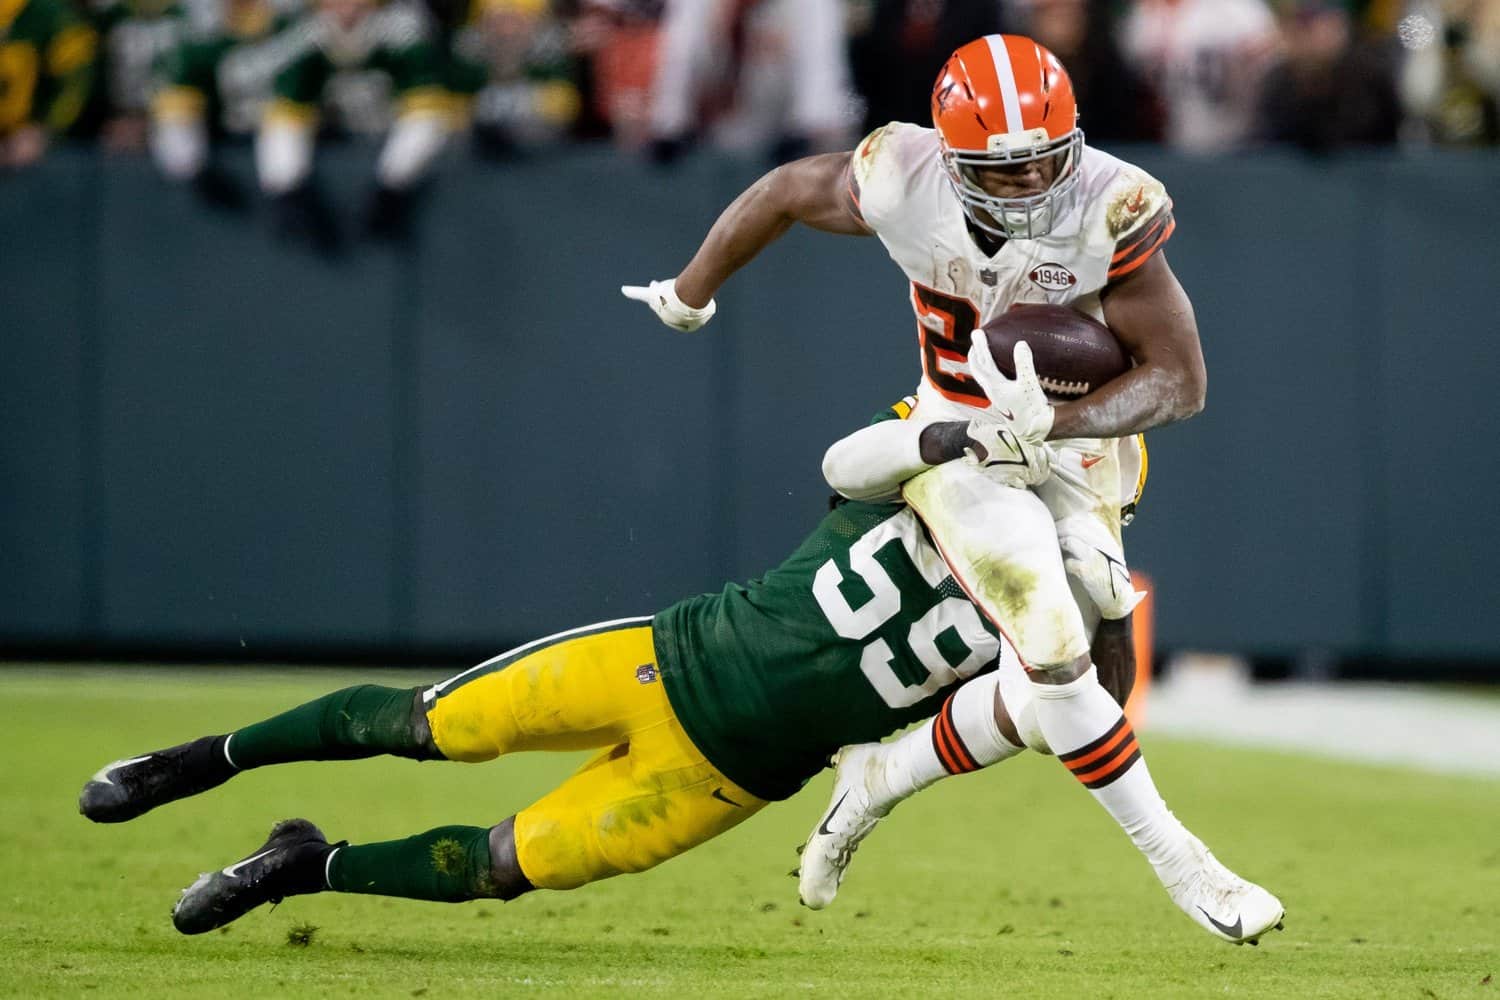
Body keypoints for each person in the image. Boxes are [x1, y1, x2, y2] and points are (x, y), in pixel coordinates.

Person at [78, 414, 1275, 945]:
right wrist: (952, 437)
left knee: (504, 865)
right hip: (666, 662)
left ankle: (301, 866)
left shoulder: (1063, 593)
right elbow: (850, 458)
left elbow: (1088, 708)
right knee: (424, 723)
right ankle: (190, 765)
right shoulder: (939, 460)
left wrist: (1104, 583)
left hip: (728, 781)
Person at [623, 33, 1282, 944]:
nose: (1026, 187)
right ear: (950, 155)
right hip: (954, 434)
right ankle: (1185, 864)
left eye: (1045, 163)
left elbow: (1180, 380)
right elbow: (782, 191)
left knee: (1057, 700)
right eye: (1000, 171)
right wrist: (691, 291)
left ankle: (877, 781)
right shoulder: (901, 173)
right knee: (1056, 639)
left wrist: (1057, 423)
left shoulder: (1111, 204)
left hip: (1076, 444)